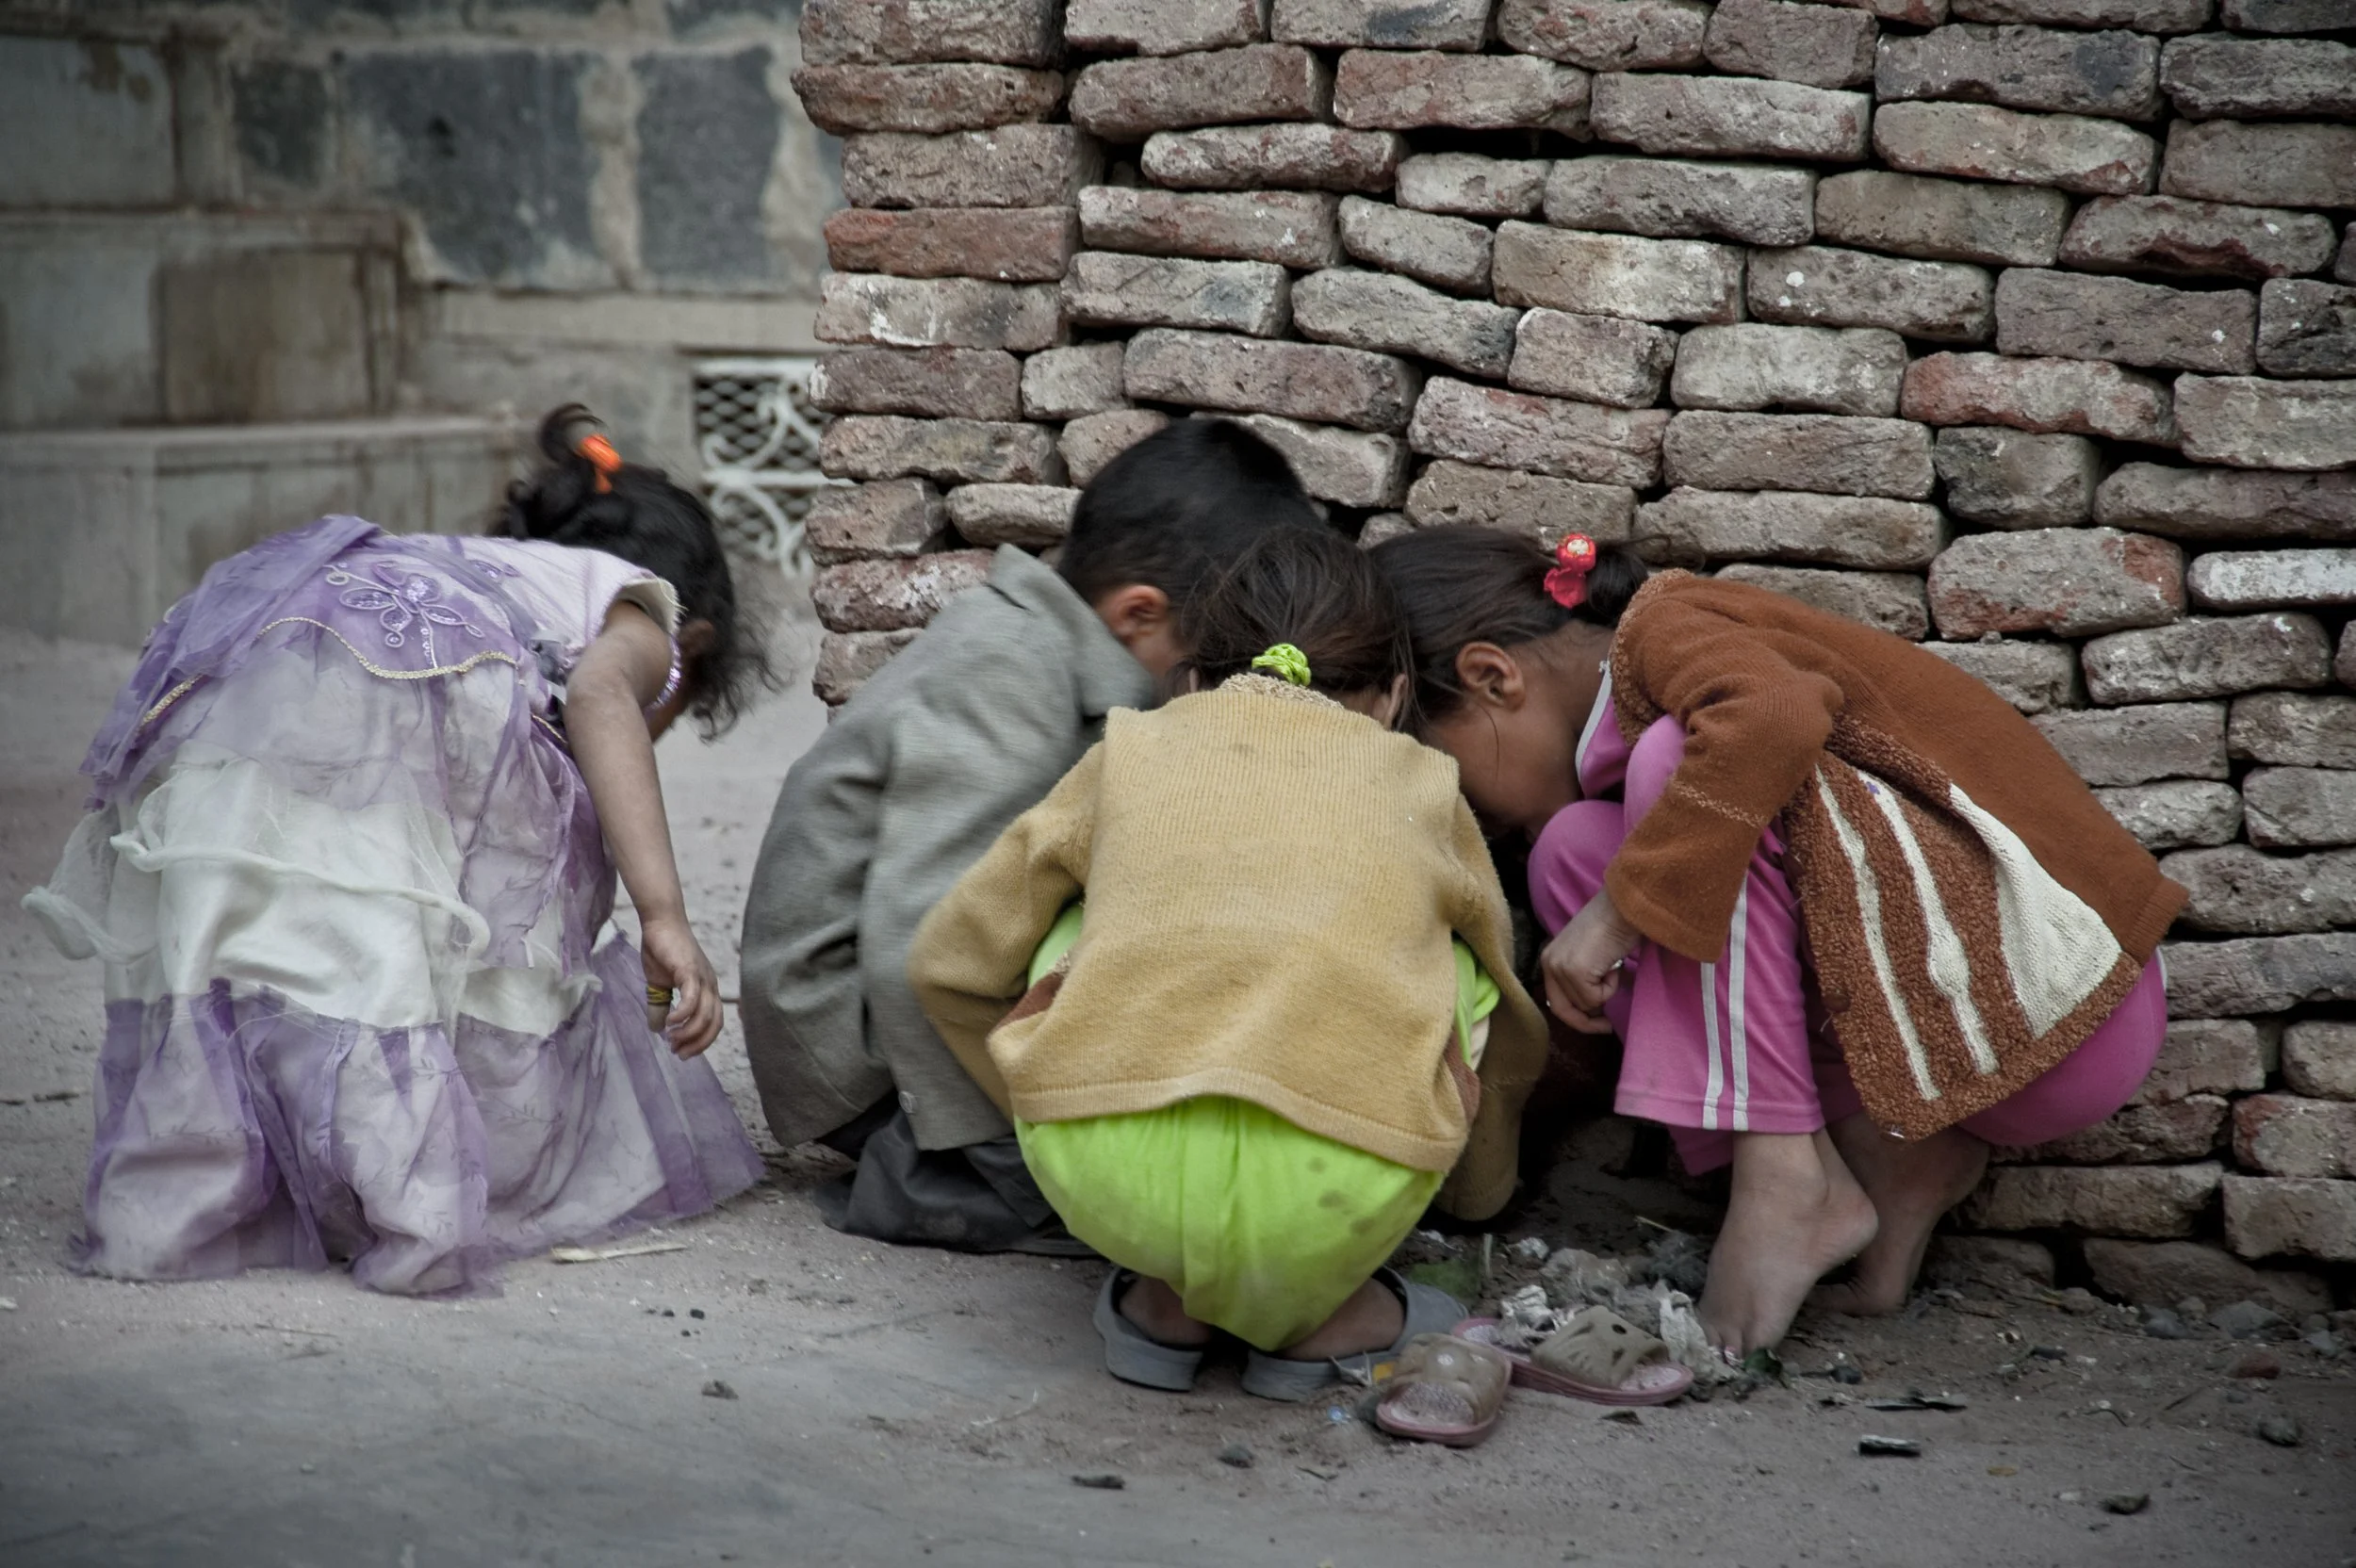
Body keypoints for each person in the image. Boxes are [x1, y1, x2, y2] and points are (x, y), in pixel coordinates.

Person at [1373, 526, 2182, 1355]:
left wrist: (1619, 916)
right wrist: (1611, 897)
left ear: (1491, 675)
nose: (1472, 819)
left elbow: (1773, 714)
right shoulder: (1602, 772)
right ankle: (1883, 1160)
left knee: (1678, 763)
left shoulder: (1667, 624)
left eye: (1448, 773)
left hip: (2066, 996)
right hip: (1951, 1062)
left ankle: (1780, 1187)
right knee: (1577, 852)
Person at [23, 406, 767, 1295]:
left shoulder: (480, 568)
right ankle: (406, 1209)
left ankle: (188, 1200)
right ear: (696, 645)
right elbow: (605, 696)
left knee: (262, 934)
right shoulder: (641, 607)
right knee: (397, 966)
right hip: (412, 691)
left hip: (258, 657)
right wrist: (663, 914)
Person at [905, 527, 1548, 1399]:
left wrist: (1044, 1083)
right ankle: (1326, 1317)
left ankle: (1167, 1308)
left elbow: (947, 962)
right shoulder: (1427, 786)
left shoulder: (1127, 749)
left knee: (1074, 923)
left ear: (1195, 678)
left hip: (1104, 1172)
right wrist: (1477, 1195)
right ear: (1394, 695)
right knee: (1459, 968)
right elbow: (1507, 1029)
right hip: (1342, 1185)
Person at [738, 420, 1326, 1253]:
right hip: (858, 1046)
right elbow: (924, 942)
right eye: (1214, 655)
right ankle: (938, 1169)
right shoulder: (1010, 668)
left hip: (900, 1014)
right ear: (1140, 615)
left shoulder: (1049, 650)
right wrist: (1007, 1147)